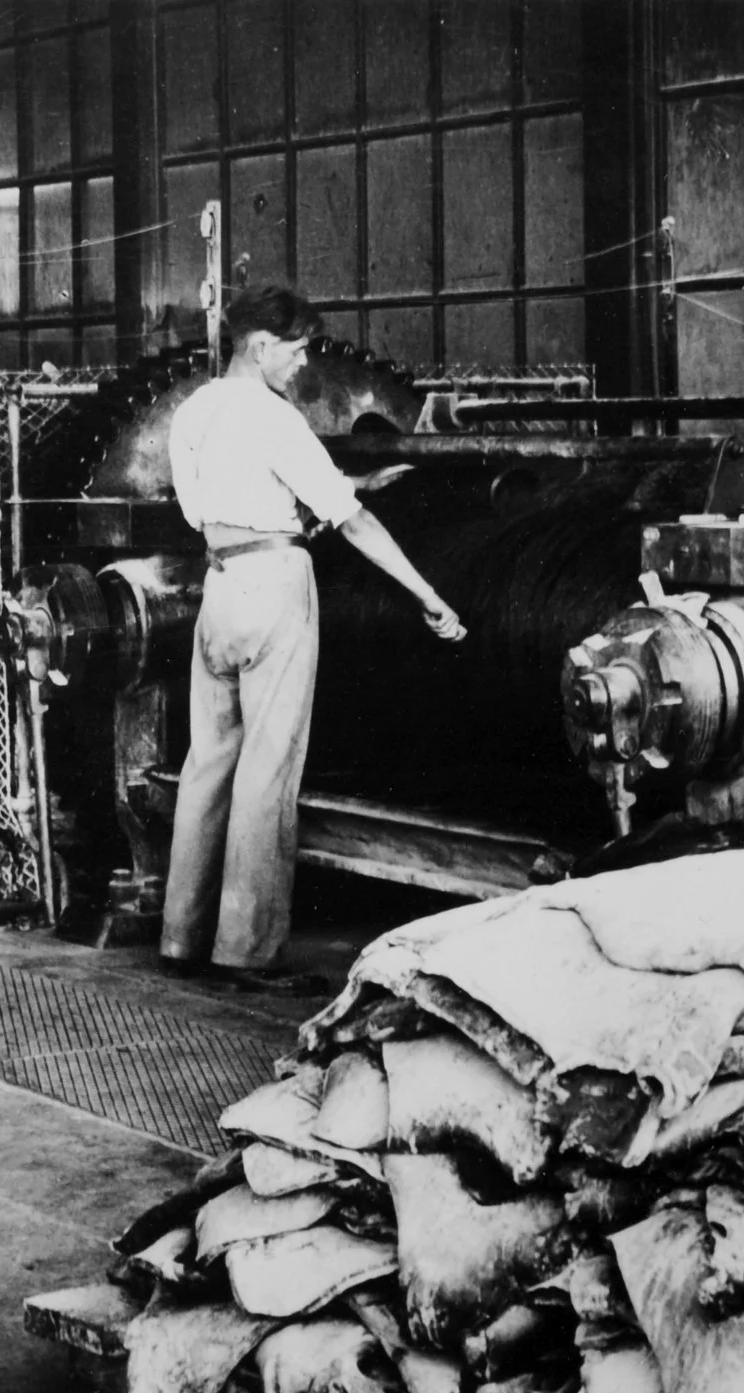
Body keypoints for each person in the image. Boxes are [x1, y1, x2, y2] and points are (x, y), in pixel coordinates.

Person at [157, 285, 465, 994]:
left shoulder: (194, 412)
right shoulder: (274, 417)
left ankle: (180, 937)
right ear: (261, 346)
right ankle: (248, 955)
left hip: (220, 589)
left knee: (208, 765)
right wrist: (428, 596)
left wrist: (345, 480)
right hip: (274, 589)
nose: (302, 365)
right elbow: (352, 525)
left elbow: (214, 503)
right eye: (295, 351)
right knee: (268, 771)